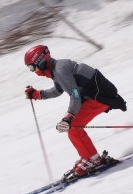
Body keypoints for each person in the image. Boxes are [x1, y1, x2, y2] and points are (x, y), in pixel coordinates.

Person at [23, 44, 127, 182]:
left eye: (32, 67)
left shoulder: (60, 70)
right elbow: (58, 90)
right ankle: (89, 157)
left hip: (100, 96)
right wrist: (37, 94)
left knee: (73, 127)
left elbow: (75, 94)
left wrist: (69, 116)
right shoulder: (56, 69)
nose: (33, 71)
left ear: (41, 62)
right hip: (95, 95)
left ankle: (93, 160)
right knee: (73, 128)